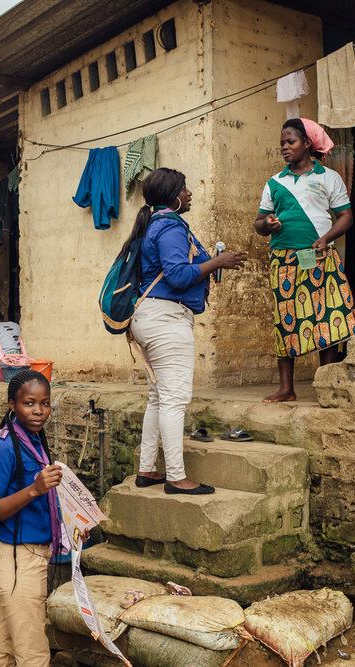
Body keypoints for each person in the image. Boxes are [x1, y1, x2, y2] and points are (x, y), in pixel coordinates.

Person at [127, 168, 248, 495]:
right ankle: (176, 477)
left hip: (149, 317)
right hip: (165, 320)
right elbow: (179, 276)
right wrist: (219, 262)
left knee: (158, 398)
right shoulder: (170, 227)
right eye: (185, 188)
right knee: (174, 400)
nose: (190, 193)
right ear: (173, 196)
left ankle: (147, 470)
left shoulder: (155, 224)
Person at [254, 118, 355, 403]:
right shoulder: (275, 183)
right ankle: (286, 388)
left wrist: (326, 238)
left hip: (319, 255)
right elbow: (258, 223)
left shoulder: (328, 177)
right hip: (284, 259)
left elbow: (346, 217)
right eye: (282, 144)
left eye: (290, 142)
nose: (284, 148)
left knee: (324, 316)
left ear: (307, 144)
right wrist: (268, 223)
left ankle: (325, 383)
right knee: (285, 318)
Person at [0, 370, 64, 667]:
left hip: (33, 554)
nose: (39, 411)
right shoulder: (3, 449)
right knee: (33, 652)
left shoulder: (33, 439)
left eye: (45, 403)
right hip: (16, 558)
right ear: (12, 404)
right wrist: (34, 489)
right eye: (29, 403)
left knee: (3, 647)